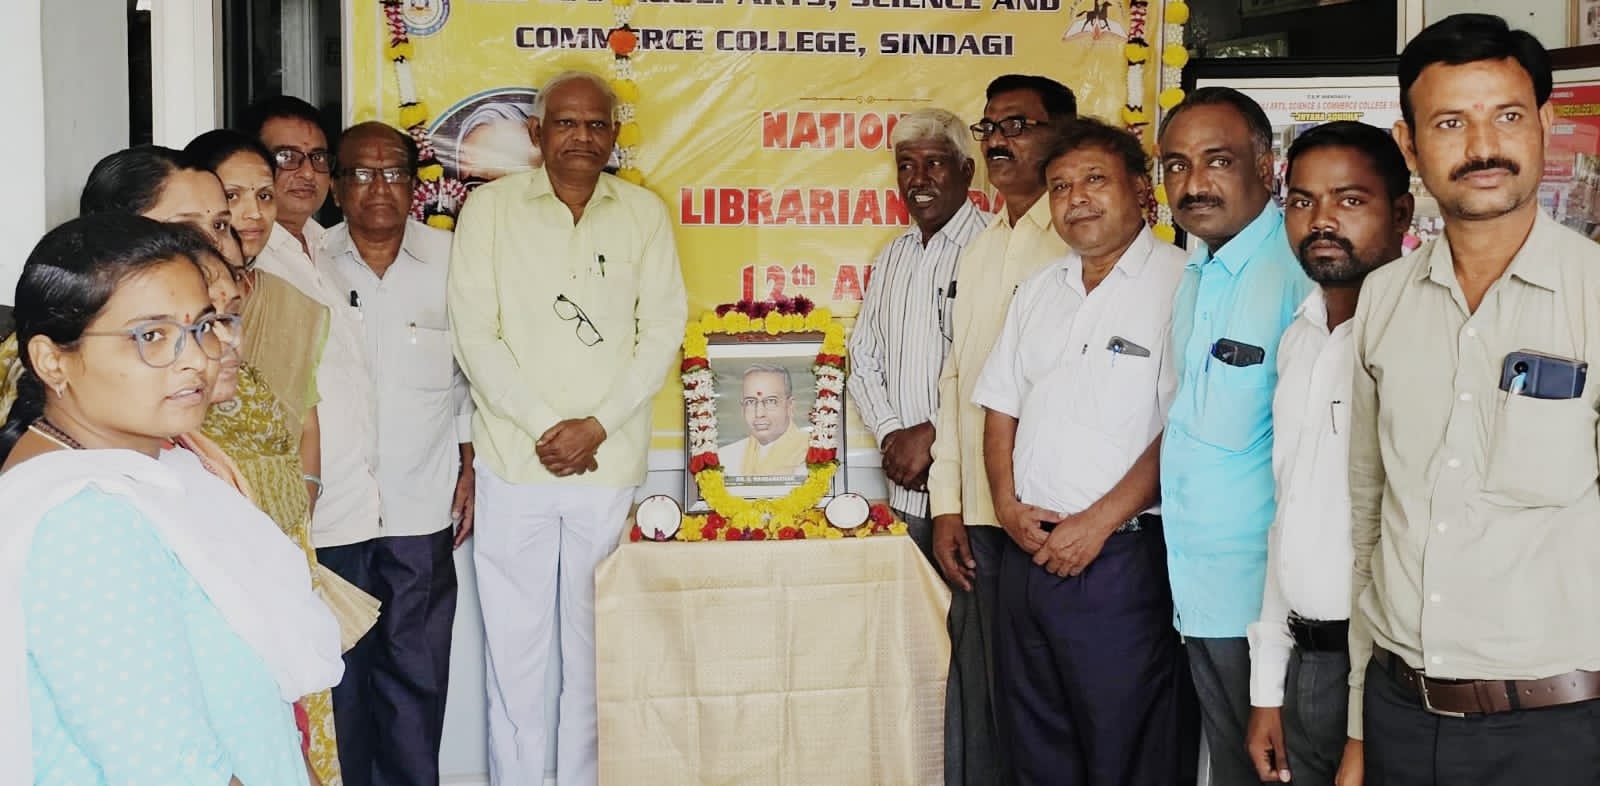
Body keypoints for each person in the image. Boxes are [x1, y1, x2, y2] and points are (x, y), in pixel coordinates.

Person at [0, 214, 343, 786]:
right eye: (151, 336)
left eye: (204, 326)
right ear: (53, 360)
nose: (197, 358)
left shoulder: (162, 469)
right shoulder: (83, 523)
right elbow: (173, 770)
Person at [1347, 14, 1600, 785]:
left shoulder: (1593, 295)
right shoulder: (1384, 298)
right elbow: (1368, 513)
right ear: (1409, 144)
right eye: (1451, 122)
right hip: (1398, 712)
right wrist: (1359, 723)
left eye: (1508, 116)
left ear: (1546, 125)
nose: (1484, 145)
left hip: (1559, 731)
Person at [77, 142, 348, 786]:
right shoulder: (80, 441)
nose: (217, 241)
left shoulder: (199, 398)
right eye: (188, 227)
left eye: (219, 224)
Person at [448, 69, 687, 786]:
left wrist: (597, 427)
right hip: (513, 466)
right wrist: (546, 427)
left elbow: (661, 332)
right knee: (514, 657)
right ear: (536, 133)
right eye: (565, 123)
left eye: (596, 124)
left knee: (598, 656)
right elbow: (475, 335)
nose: (582, 137)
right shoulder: (490, 211)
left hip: (606, 468)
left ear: (614, 135)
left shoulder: (643, 214)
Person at [973, 117, 1190, 786]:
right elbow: (1001, 406)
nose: (1077, 198)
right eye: (1061, 186)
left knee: (1126, 750)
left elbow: (1185, 429)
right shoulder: (1041, 289)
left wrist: (1095, 525)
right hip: (1027, 554)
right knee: (1035, 750)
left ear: (1140, 188)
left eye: (1095, 179)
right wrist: (1005, 506)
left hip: (1120, 561)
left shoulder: (1185, 283)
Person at [1242, 122, 1411, 786]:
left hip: (1389, 678)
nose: (1322, 220)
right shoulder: (1301, 338)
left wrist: (1362, 729)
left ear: (1401, 213)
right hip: (1306, 666)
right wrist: (1267, 690)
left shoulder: (1415, 341)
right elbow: (1285, 513)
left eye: (1350, 199)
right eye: (1302, 201)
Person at [1156, 86, 1313, 786]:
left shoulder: (1299, 273)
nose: (1193, 184)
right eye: (1176, 165)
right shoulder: (1198, 269)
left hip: (1268, 607)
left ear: (1266, 165)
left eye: (1216, 161)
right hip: (1199, 590)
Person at [924, 73, 1074, 785]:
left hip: (1054, 519)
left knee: (1056, 702)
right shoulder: (981, 248)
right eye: (990, 128)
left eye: (1018, 124)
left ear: (1061, 135)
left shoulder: (1079, 241)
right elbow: (957, 381)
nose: (998, 141)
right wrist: (949, 505)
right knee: (990, 698)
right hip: (983, 519)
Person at [320, 120, 474, 786]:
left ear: (415, 186)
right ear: (335, 186)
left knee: (417, 680)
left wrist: (470, 461)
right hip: (333, 514)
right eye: (361, 173)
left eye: (393, 173)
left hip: (420, 509)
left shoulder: (453, 261)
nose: (378, 187)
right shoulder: (310, 262)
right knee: (338, 684)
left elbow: (472, 371)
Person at [846, 106, 989, 786]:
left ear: (967, 169)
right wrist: (890, 435)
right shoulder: (895, 255)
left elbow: (996, 366)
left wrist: (932, 435)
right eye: (907, 165)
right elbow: (862, 357)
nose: (919, 178)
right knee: (914, 661)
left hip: (974, 504)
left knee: (973, 666)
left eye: (935, 163)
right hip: (904, 498)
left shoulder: (992, 250)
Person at [242, 95, 335, 256]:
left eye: (318, 157)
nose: (308, 173)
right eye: (287, 157)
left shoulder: (325, 244)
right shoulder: (245, 255)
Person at [719, 364, 808, 478]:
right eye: (750, 402)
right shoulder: (725, 458)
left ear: (790, 406)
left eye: (771, 401)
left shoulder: (814, 454)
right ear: (742, 408)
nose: (759, 414)